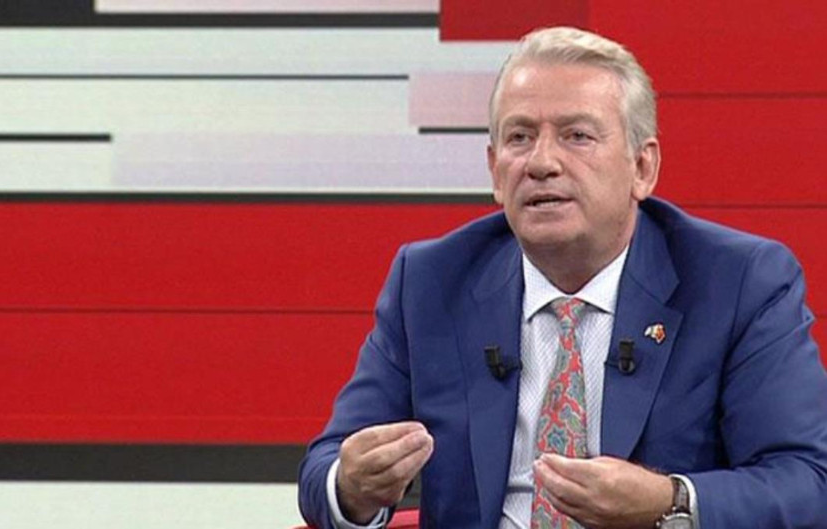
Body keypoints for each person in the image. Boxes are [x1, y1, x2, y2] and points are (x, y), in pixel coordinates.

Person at [298, 26, 827, 529]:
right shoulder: (432, 281)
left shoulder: (737, 283)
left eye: (577, 136)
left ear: (642, 168)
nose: (542, 162)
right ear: (495, 170)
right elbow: (325, 470)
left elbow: (808, 482)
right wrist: (351, 486)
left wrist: (668, 502)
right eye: (520, 137)